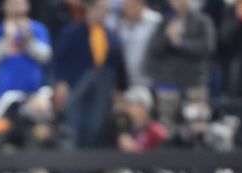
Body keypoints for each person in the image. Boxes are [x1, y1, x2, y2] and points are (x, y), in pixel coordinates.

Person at [54, 0, 128, 148]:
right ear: (90, 9)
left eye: (106, 10)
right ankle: (71, 167)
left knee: (96, 126)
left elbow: (118, 65)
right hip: (76, 87)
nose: (104, 13)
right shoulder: (72, 31)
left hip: (102, 90)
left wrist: (120, 89)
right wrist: (60, 81)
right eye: (101, 9)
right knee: (74, 125)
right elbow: (59, 59)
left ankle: (91, 167)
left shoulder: (111, 36)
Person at [147, 0, 215, 126]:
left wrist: (180, 43)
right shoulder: (166, 22)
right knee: (166, 124)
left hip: (194, 82)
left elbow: (207, 47)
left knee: (196, 124)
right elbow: (155, 49)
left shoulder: (202, 20)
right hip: (169, 83)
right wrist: (167, 37)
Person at [0, 0, 52, 100]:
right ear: (3, 6)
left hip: (33, 93)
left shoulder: (38, 29)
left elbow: (46, 57)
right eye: (11, 3)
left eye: (19, 2)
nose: (16, 6)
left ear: (27, 5)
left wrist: (29, 41)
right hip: (3, 93)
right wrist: (6, 39)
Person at [109, 0, 162, 87]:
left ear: (140, 5)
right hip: (127, 79)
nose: (127, 10)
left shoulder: (156, 21)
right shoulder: (121, 24)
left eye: (130, 7)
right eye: (125, 7)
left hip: (150, 80)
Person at [115, 85, 168, 152]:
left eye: (131, 104)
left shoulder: (157, 132)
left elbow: (160, 158)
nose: (127, 107)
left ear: (144, 108)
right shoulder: (125, 127)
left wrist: (134, 148)